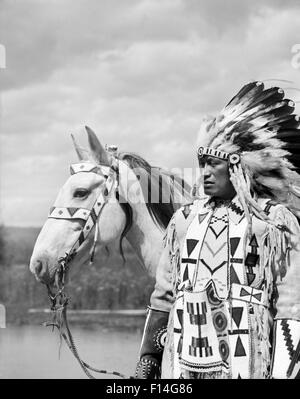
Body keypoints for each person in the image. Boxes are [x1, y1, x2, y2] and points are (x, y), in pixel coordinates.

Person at [134, 81, 300, 379]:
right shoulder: (185, 220)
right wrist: (148, 362)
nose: (205, 172)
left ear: (238, 167)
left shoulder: (273, 222)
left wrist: (284, 374)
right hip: (183, 360)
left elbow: (291, 304)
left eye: (213, 164)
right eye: (202, 163)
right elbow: (164, 295)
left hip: (247, 360)